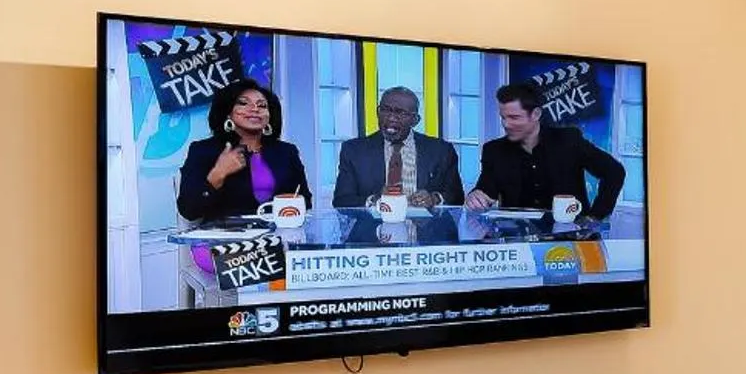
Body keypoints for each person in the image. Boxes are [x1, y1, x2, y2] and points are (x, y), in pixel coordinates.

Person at [466, 80, 626, 219]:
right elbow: (486, 190)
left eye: (514, 117)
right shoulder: (494, 150)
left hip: (570, 240)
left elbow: (614, 172)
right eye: (503, 117)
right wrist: (476, 196)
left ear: (535, 114)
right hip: (518, 241)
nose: (506, 124)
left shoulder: (569, 140)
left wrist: (595, 217)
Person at [176, 79, 310, 222]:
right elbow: (188, 210)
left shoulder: (286, 152)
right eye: (243, 103)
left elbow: (306, 201)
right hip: (224, 239)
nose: (254, 109)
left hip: (277, 238)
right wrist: (218, 174)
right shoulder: (203, 151)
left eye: (262, 105)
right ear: (228, 113)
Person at [332, 85, 466, 210]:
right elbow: (341, 200)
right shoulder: (353, 150)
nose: (391, 118)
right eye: (385, 110)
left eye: (400, 113)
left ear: (415, 120)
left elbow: (457, 196)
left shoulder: (441, 150)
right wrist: (375, 200)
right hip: (371, 232)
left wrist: (434, 199)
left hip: (424, 232)